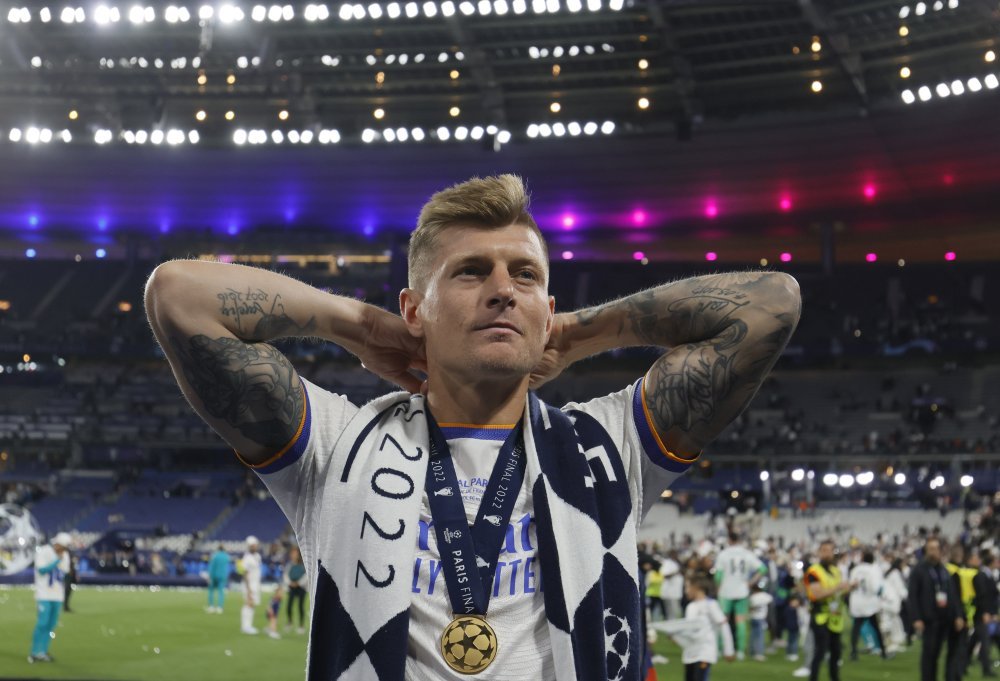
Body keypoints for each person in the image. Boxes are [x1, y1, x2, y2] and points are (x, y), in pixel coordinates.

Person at [145, 174, 801, 680]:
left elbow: (773, 304)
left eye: (525, 275)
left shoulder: (607, 444)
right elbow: (177, 295)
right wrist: (358, 324)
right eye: (470, 271)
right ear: (414, 309)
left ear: (546, 308)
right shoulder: (338, 443)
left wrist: (579, 331)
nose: (503, 289)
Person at [653, 573, 735, 681]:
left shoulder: (711, 604)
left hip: (704, 653)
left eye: (687, 587)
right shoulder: (690, 607)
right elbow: (689, 630)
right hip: (689, 653)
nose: (685, 591)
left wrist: (728, 650)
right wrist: (676, 636)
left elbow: (723, 626)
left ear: (697, 587)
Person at [909, 537, 965, 681]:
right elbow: (912, 596)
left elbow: (953, 595)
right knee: (929, 655)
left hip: (945, 619)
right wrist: (916, 618)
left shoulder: (944, 570)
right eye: (930, 549)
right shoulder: (919, 570)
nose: (933, 552)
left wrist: (958, 615)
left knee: (940, 654)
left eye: (935, 549)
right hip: (929, 619)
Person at [803, 539, 854, 681]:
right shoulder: (813, 571)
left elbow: (839, 593)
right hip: (820, 616)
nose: (826, 554)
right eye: (823, 550)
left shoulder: (835, 571)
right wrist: (838, 587)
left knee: (836, 652)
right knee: (820, 651)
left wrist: (849, 588)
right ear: (819, 552)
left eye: (829, 550)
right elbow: (817, 594)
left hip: (835, 617)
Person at [713, 530, 767, 660]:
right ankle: (740, 651)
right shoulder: (747, 554)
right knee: (741, 622)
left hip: (725, 591)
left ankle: (721, 649)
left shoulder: (723, 554)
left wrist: (718, 588)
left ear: (729, 540)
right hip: (742, 591)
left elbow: (718, 575)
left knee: (723, 621)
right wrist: (750, 582)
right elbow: (762, 569)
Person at [28, 532, 72, 664]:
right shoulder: (44, 551)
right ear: (57, 543)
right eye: (62, 547)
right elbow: (41, 570)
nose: (63, 550)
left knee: (51, 625)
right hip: (44, 593)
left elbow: (64, 572)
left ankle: (43, 652)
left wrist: (60, 561)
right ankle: (34, 652)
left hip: (57, 594)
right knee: (42, 623)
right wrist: (57, 561)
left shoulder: (65, 555)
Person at [849, 549, 888, 660]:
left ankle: (853, 652)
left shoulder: (855, 570)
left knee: (856, 628)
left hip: (857, 602)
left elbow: (851, 584)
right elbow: (875, 587)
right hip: (869, 603)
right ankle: (883, 651)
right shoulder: (873, 570)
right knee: (876, 627)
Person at [971, 550, 997, 677]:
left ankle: (963, 662)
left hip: (988, 613)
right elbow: (982, 596)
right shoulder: (981, 576)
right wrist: (986, 612)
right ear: (991, 562)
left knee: (974, 641)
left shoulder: (988, 575)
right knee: (985, 642)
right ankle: (986, 669)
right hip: (982, 614)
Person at [881, 556, 909, 655]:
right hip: (892, 601)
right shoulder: (896, 573)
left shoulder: (890, 573)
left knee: (893, 622)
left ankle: (892, 643)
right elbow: (900, 588)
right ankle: (889, 645)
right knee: (889, 623)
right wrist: (908, 596)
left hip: (886, 600)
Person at [240, 535, 262, 635]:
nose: (255, 547)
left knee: (252, 605)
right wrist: (248, 588)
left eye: (255, 545)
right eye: (253, 545)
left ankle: (248, 625)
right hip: (249, 585)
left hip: (256, 584)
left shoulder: (257, 556)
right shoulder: (247, 558)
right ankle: (245, 626)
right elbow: (245, 573)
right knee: (248, 604)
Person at [283, 545, 307, 633]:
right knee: (289, 605)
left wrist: (298, 583)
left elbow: (306, 576)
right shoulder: (289, 564)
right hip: (291, 587)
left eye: (295, 553)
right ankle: (289, 623)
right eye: (292, 553)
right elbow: (285, 575)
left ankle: (301, 626)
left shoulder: (303, 564)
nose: (293, 555)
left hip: (301, 588)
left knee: (300, 606)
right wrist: (290, 583)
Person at [749, 580, 773, 661]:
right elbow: (771, 599)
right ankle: (759, 653)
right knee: (760, 636)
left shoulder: (752, 597)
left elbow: (749, 607)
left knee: (753, 635)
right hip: (760, 618)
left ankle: (752, 651)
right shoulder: (764, 595)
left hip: (753, 617)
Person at [206, 543, 230, 614]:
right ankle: (220, 607)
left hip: (214, 575)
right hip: (222, 576)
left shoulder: (215, 556)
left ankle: (211, 607)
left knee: (211, 591)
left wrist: (209, 576)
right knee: (221, 592)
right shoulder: (226, 556)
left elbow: (211, 567)